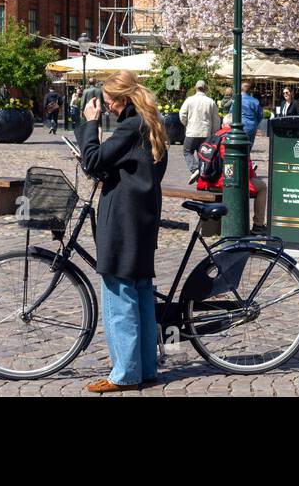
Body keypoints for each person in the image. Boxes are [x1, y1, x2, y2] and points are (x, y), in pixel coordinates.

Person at [75, 71, 167, 393]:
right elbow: (131, 166)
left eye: (109, 100)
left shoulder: (130, 126)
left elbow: (92, 160)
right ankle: (145, 368)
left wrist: (89, 124)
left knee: (119, 292)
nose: (107, 106)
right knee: (140, 290)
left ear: (123, 98)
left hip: (124, 219)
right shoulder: (150, 123)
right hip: (143, 217)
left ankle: (125, 374)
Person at [195, 114, 267, 233]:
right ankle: (258, 225)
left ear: (224, 124)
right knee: (262, 187)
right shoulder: (233, 137)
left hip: (207, 181)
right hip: (222, 182)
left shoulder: (215, 135)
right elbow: (242, 167)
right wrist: (252, 174)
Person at [178, 80, 219, 181]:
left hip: (192, 131)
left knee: (187, 151)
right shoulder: (210, 101)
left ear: (195, 88)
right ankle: (203, 175)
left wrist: (187, 124)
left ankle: (194, 168)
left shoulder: (189, 100)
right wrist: (214, 132)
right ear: (205, 89)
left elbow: (182, 114)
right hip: (206, 132)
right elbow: (216, 119)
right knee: (204, 155)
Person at [239, 82, 264, 151]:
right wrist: (255, 123)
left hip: (239, 127)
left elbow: (231, 114)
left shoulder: (237, 100)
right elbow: (260, 115)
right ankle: (247, 160)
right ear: (250, 90)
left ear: (240, 90)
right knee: (248, 148)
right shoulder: (255, 101)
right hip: (252, 127)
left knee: (239, 148)